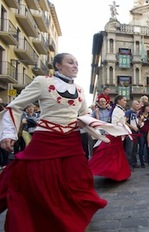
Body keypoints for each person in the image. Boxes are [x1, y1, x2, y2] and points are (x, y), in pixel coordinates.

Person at [0, 53, 107, 231]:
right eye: (70, 62)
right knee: (40, 182)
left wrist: (85, 121)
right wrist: (8, 133)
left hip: (71, 142)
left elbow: (84, 113)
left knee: (79, 181)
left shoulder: (80, 90)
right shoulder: (43, 82)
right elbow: (16, 105)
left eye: (77, 63)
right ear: (58, 65)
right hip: (46, 140)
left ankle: (71, 216)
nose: (75, 66)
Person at [89, 95, 131, 181]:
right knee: (114, 155)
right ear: (119, 101)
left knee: (116, 154)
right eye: (124, 100)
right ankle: (114, 173)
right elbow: (115, 122)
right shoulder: (117, 110)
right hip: (115, 134)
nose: (125, 102)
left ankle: (117, 173)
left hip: (117, 134)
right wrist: (123, 127)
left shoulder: (119, 109)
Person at [124, 100, 142, 169]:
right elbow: (124, 122)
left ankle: (134, 163)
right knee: (129, 149)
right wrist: (133, 127)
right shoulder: (128, 112)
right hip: (130, 132)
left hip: (135, 133)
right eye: (137, 104)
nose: (138, 106)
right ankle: (128, 165)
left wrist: (139, 123)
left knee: (135, 149)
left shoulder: (136, 113)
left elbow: (136, 122)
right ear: (133, 105)